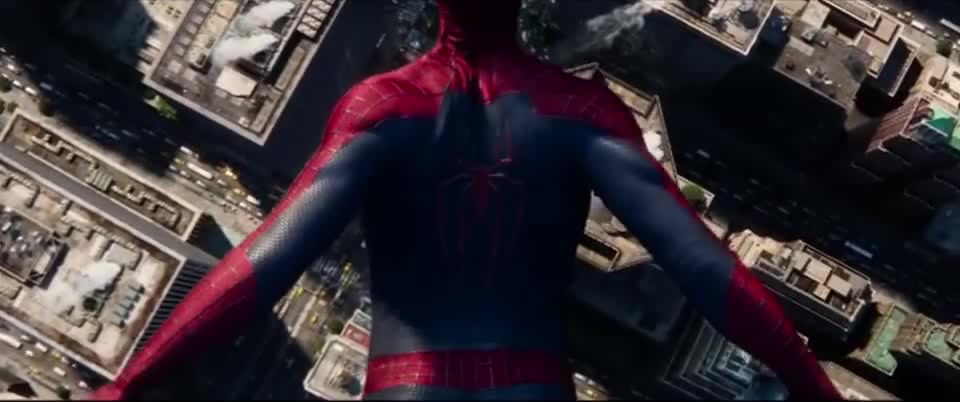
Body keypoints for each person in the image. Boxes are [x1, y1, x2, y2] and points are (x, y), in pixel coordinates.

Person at [93, 0, 843, 400]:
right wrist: (812, 384)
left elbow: (263, 268)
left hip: (408, 386)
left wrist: (133, 382)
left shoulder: (383, 109)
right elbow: (706, 271)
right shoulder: (581, 113)